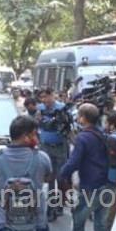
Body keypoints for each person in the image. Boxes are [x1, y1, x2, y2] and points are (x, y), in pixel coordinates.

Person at [60, 103, 113, 231]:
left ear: (83, 118)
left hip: (90, 188)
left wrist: (62, 175)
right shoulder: (103, 135)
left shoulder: (83, 138)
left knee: (78, 223)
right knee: (101, 227)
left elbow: (74, 162)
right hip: (107, 186)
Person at [37, 88, 70, 221]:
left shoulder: (62, 108)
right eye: (42, 97)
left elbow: (68, 127)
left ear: (52, 95)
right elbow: (38, 124)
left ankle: (60, 204)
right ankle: (51, 208)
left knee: (61, 178)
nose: (44, 100)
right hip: (46, 147)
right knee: (49, 178)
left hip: (60, 147)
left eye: (46, 96)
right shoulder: (40, 108)